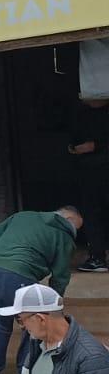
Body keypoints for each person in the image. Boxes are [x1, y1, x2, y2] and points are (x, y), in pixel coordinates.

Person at [0, 207, 82, 374]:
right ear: (66, 218)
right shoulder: (63, 236)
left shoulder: (23, 216)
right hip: (22, 276)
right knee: (32, 329)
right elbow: (60, 276)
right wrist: (52, 303)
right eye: (74, 227)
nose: (74, 233)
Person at [71, 98, 109, 273]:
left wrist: (97, 145)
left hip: (103, 167)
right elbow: (70, 143)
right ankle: (98, 257)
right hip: (88, 174)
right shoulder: (80, 115)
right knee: (92, 213)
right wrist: (75, 149)